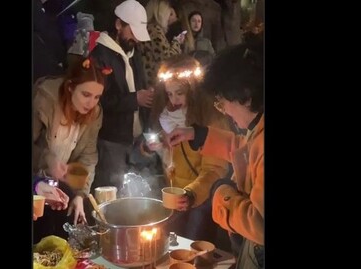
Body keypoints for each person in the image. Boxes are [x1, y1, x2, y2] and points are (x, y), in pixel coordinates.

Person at [166, 41, 264, 268]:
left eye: (223, 102)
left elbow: (259, 224)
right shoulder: (257, 128)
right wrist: (198, 135)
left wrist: (221, 193)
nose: (225, 111)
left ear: (246, 96)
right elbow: (246, 149)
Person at [145, 54, 229, 240]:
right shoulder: (166, 116)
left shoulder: (211, 118)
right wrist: (152, 146)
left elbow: (215, 169)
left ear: (193, 91)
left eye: (179, 93)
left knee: (192, 246)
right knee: (171, 245)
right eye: (169, 93)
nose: (173, 100)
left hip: (200, 197)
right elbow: (167, 152)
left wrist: (191, 194)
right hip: (174, 193)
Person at [32, 56, 108, 242]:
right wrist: (48, 159)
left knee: (57, 240)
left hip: (58, 186)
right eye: (86, 94)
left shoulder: (94, 113)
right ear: (70, 87)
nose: (91, 103)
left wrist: (80, 195)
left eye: (97, 97)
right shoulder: (46, 100)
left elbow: (87, 156)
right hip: (35, 180)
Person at [89, 0, 155, 190]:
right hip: (111, 140)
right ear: (118, 25)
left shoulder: (134, 53)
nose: (135, 38)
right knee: (111, 191)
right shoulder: (99, 56)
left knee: (135, 193)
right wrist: (135, 99)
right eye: (132, 32)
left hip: (135, 138)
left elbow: (140, 87)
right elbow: (98, 101)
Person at [138, 0, 184, 88]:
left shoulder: (148, 28)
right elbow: (167, 59)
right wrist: (177, 42)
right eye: (168, 13)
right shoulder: (155, 31)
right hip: (154, 84)